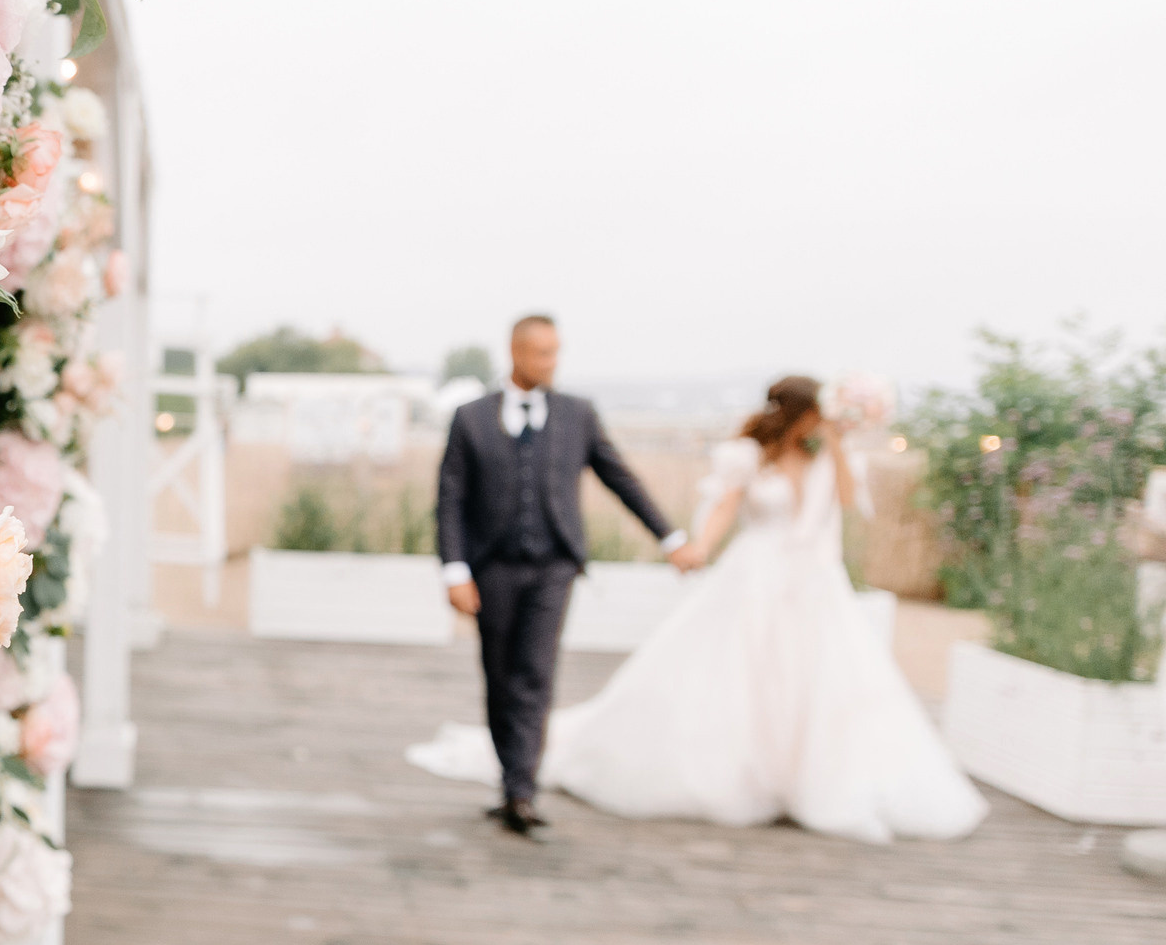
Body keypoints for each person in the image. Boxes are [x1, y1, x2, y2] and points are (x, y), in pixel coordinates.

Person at [414, 375, 987, 844]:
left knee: (818, 682)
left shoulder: (828, 457)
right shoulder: (747, 457)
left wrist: (839, 440)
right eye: (816, 416)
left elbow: (845, 499)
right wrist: (693, 550)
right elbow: (722, 511)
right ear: (795, 413)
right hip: (755, 576)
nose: (820, 424)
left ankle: (807, 779)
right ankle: (744, 777)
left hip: (814, 586)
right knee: (742, 676)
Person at [431, 315, 695, 838]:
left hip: (554, 567)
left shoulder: (578, 414)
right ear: (515, 353)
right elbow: (450, 500)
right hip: (491, 569)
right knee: (499, 675)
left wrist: (671, 538)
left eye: (556, 353)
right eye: (543, 353)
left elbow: (621, 478)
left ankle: (520, 791)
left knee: (535, 674)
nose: (552, 363)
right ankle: (510, 776)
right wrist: (455, 570)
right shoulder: (470, 418)